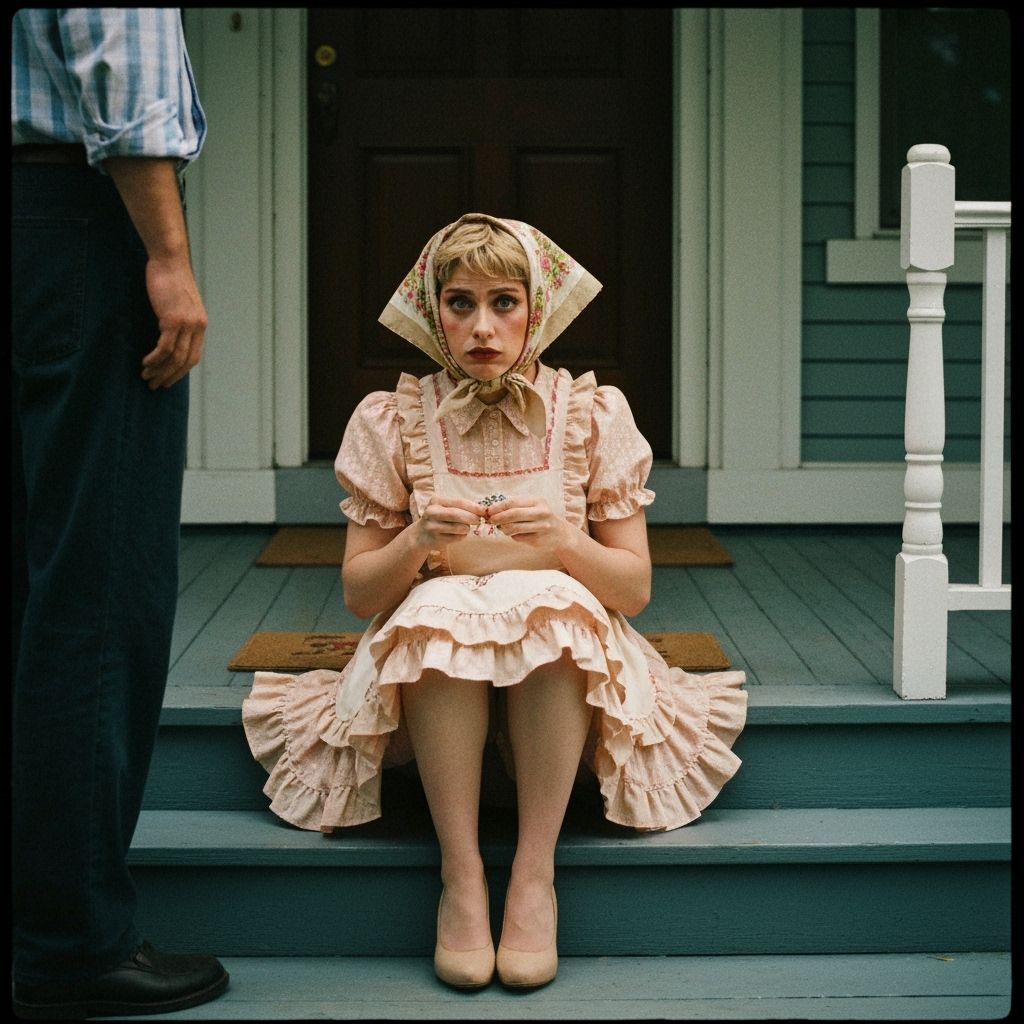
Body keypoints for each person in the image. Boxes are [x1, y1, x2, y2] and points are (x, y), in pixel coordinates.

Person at [242, 213, 747, 990]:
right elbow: (357, 596)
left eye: (505, 302)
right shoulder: (395, 418)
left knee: (547, 601)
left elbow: (635, 590)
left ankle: (534, 877)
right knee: (443, 613)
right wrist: (413, 542)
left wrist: (566, 543)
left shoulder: (589, 414)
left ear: (537, 309)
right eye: (461, 303)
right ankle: (463, 877)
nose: (482, 326)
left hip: (566, 678)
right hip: (429, 681)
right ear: (431, 309)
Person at [11, 9, 229, 1019]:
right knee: (97, 583)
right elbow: (122, 56)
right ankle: (73, 937)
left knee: (39, 571)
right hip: (78, 211)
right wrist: (167, 251)